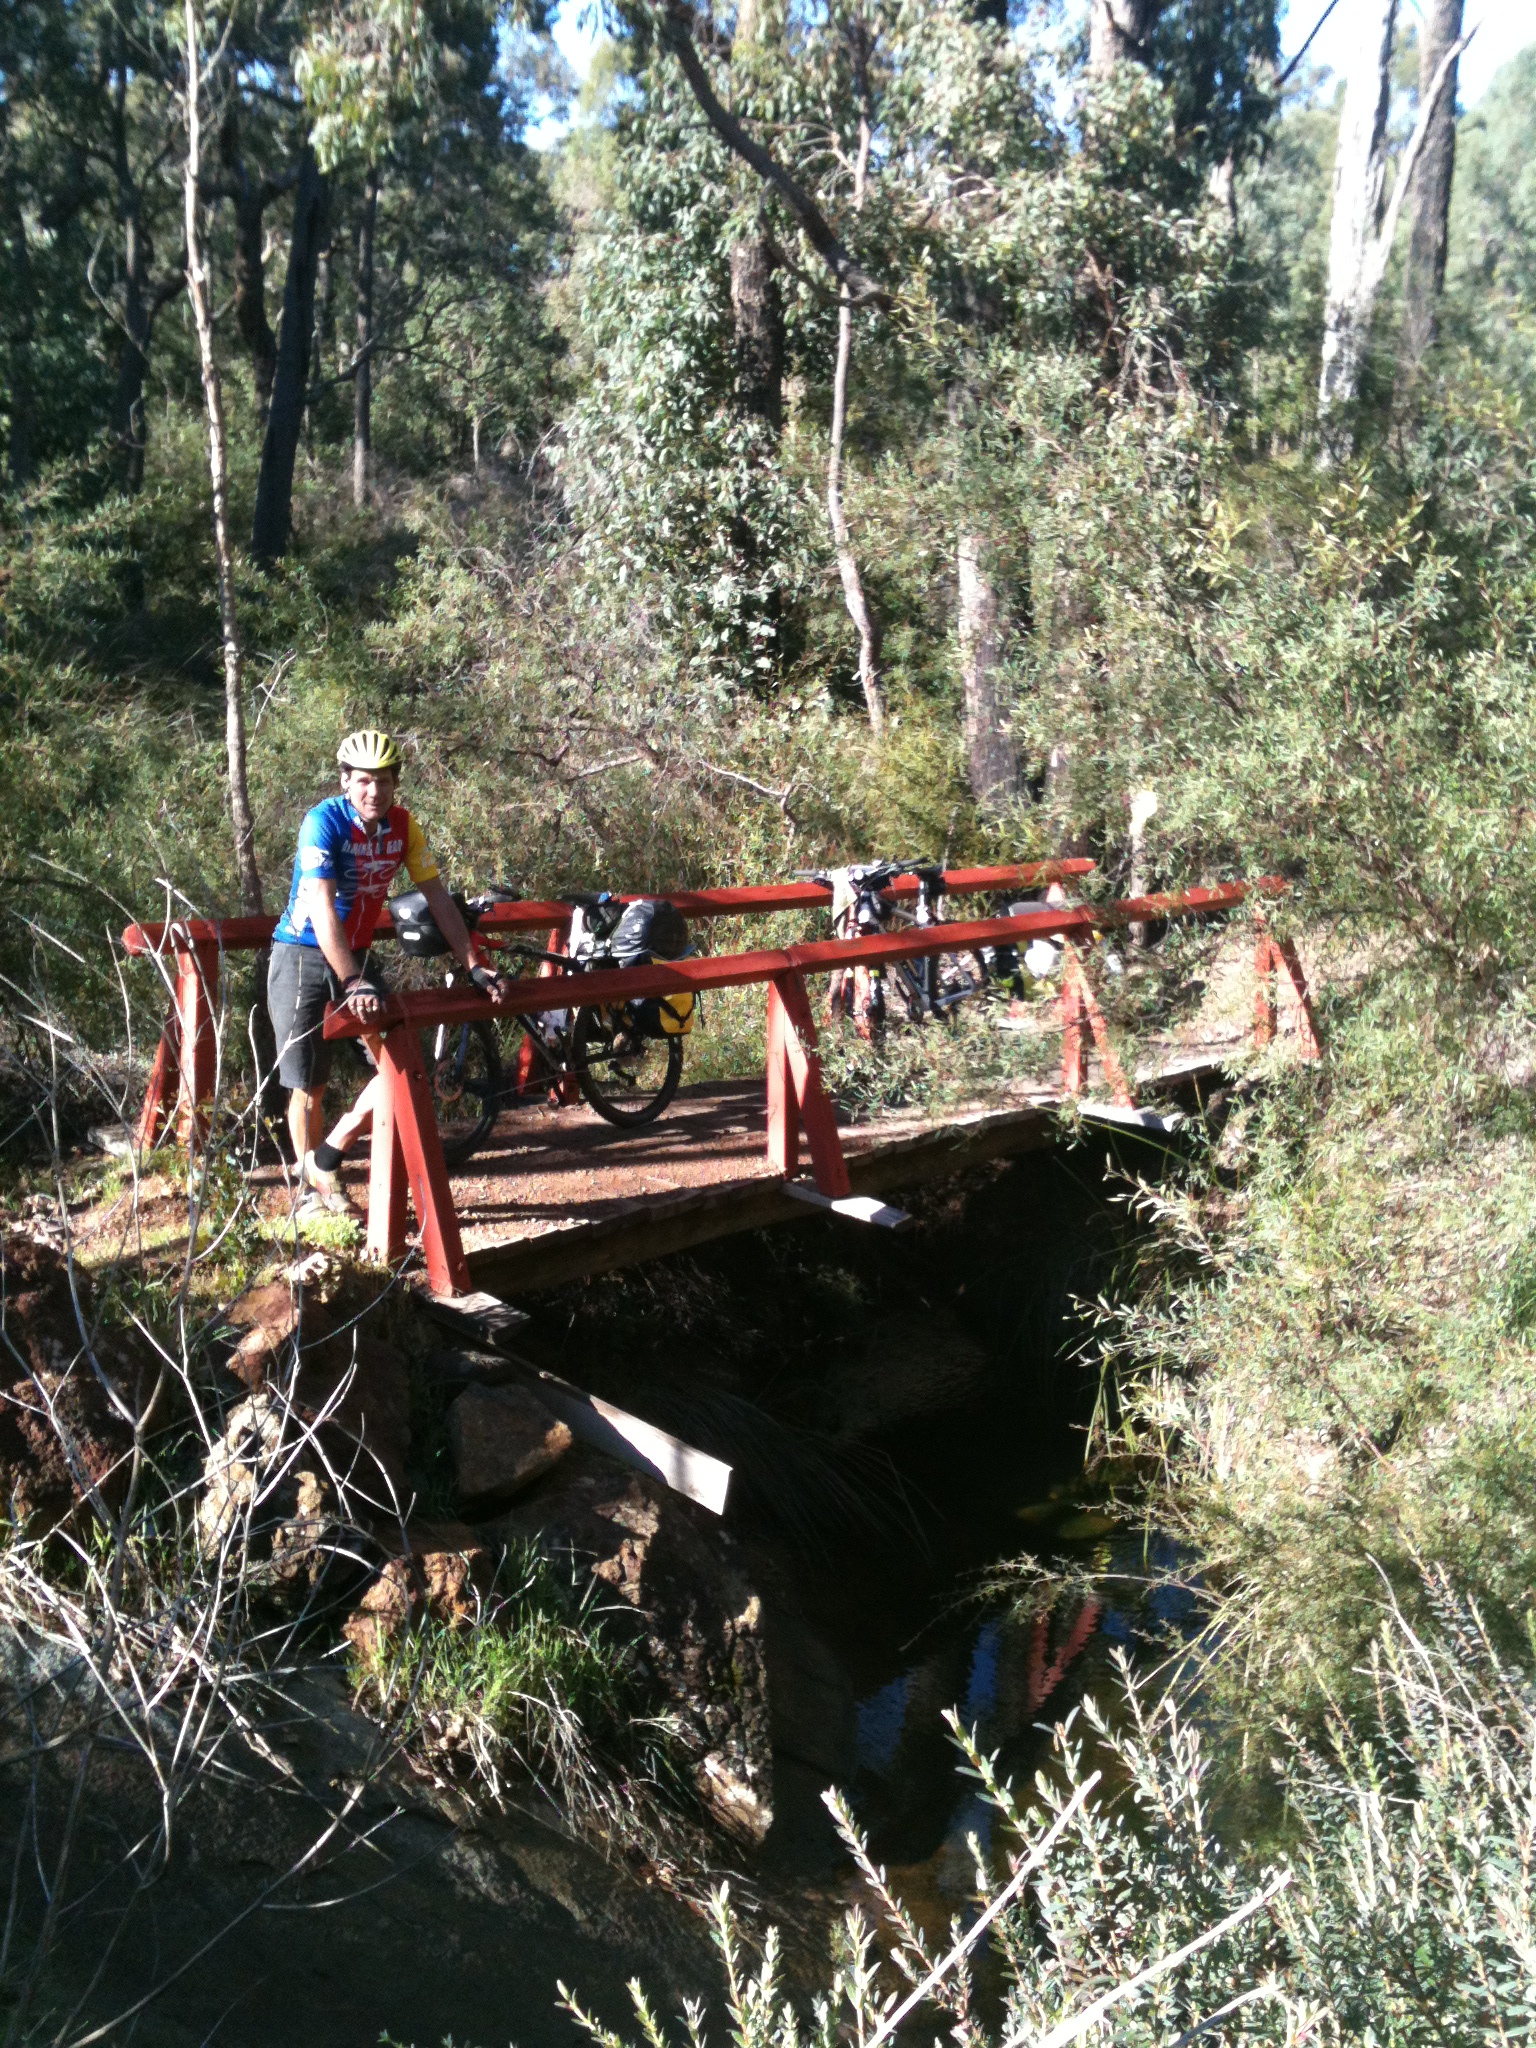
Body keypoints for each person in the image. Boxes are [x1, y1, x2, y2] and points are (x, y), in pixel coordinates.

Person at [267, 727, 508, 1214]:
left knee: (400, 1063)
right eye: (363, 781)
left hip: (355, 955)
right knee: (309, 1082)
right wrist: (352, 980)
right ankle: (311, 1197)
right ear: (345, 781)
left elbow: (437, 896)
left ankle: (329, 1153)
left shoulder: (402, 825)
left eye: (384, 780)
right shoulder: (323, 823)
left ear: (396, 782)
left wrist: (474, 963)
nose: (374, 791)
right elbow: (320, 908)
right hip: (302, 951)